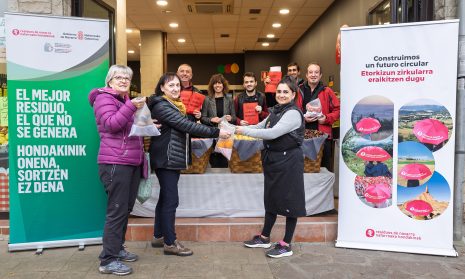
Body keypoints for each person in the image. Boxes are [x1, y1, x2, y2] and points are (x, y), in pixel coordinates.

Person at [148, 72, 231, 256]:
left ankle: (159, 235)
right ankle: (170, 243)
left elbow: (185, 123)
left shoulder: (174, 105)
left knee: (164, 198)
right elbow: (185, 126)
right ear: (162, 88)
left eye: (178, 85)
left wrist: (197, 117)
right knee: (171, 200)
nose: (176, 88)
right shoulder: (162, 105)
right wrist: (216, 132)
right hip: (167, 157)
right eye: (171, 86)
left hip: (170, 157)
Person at [237, 76, 305, 258]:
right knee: (271, 198)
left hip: (289, 162)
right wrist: (235, 127)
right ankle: (265, 237)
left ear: (293, 94)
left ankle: (286, 244)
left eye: (285, 92)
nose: (281, 95)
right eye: (279, 91)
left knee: (291, 201)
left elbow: (271, 133)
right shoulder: (275, 111)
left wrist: (242, 131)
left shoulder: (292, 113)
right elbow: (260, 126)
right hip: (274, 161)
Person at [89, 65, 147, 276]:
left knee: (125, 209)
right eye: (119, 77)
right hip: (115, 163)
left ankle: (117, 249)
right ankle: (108, 260)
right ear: (109, 80)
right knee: (116, 211)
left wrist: (148, 125)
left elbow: (126, 129)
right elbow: (112, 124)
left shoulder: (122, 101)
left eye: (127, 78)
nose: (123, 80)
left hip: (130, 162)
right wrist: (131, 106)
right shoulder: (103, 98)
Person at [297, 62, 340, 171]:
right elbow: (293, 110)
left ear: (320, 75)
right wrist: (302, 118)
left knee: (323, 168)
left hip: (323, 136)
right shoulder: (299, 90)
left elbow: (338, 109)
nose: (313, 74)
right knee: (303, 167)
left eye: (316, 72)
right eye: (310, 72)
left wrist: (326, 118)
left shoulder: (327, 91)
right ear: (306, 75)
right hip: (303, 136)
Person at [201, 73, 236, 167]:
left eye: (220, 83)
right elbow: (203, 118)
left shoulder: (229, 100)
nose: (217, 85)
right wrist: (211, 119)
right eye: (215, 83)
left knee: (225, 161)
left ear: (223, 85)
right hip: (212, 133)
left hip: (226, 135)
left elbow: (234, 118)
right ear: (212, 85)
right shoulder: (207, 100)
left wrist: (230, 118)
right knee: (214, 161)